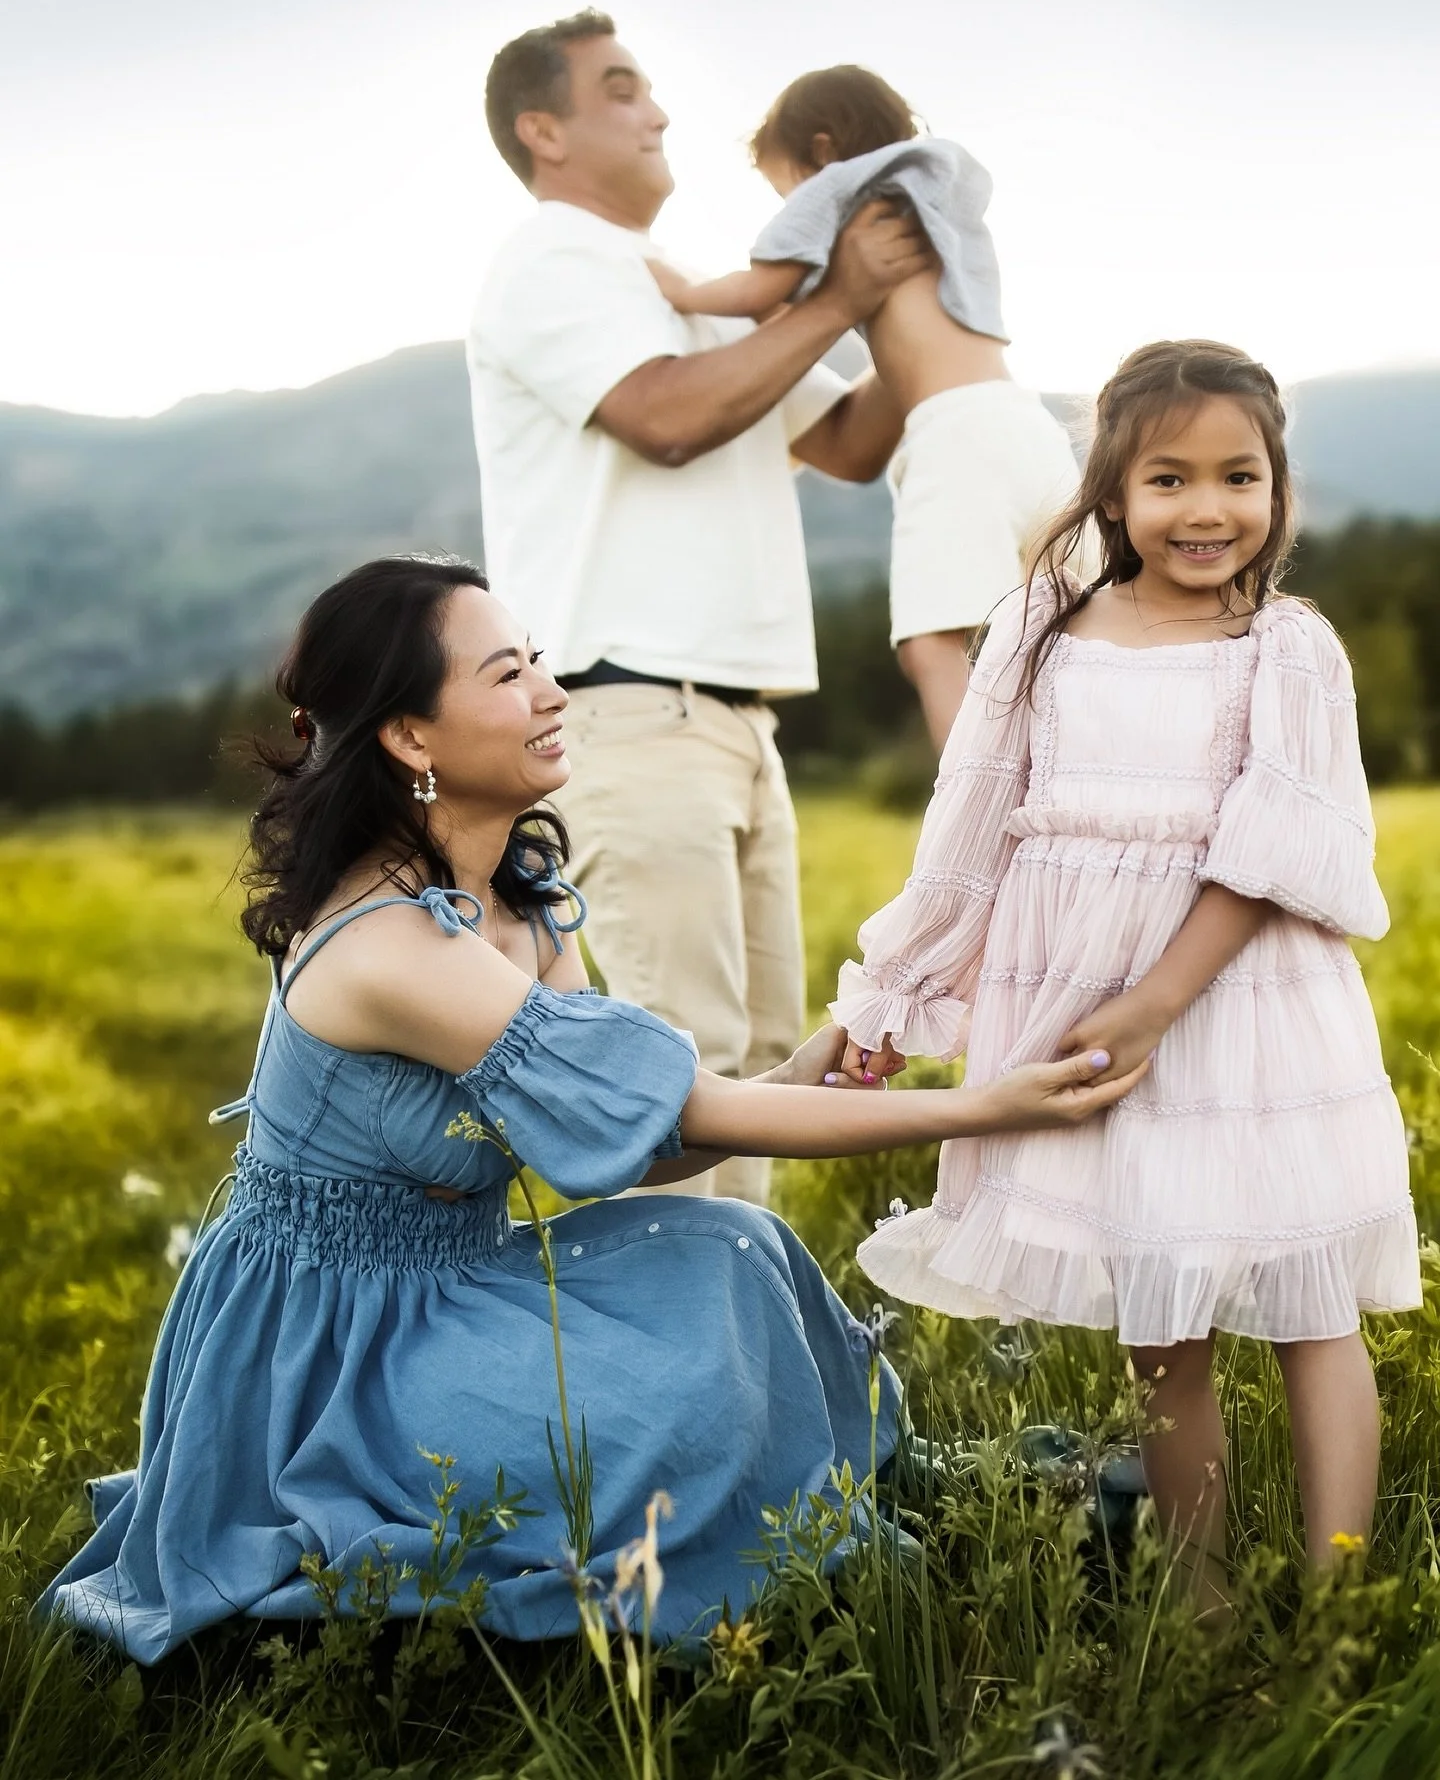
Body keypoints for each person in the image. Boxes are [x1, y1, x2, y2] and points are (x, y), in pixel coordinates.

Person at [38, 556, 1146, 1664]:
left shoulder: (514, 896)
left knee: (737, 1248)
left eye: (541, 665)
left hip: (458, 1280)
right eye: (510, 674)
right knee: (681, 1410)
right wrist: (989, 1108)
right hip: (330, 1350)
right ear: (411, 738)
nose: (553, 694)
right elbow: (694, 1105)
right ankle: (827, 1547)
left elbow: (638, 1140)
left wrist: (809, 1065)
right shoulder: (389, 948)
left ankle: (887, 1488)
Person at [829, 343, 1422, 1614]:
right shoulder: (1041, 633)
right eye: (1170, 478)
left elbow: (1275, 848)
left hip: (1245, 1005)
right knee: (1164, 1318)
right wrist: (893, 992)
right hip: (1084, 1005)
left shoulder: (1286, 646)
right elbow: (972, 829)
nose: (1208, 509)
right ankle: (1201, 1607)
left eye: (1239, 477)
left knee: (1314, 1298)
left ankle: (1337, 1603)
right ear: (1113, 492)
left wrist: (1157, 1000)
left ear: (1277, 489)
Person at [468, 14, 928, 1210]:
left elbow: (852, 439)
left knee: (767, 1059)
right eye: (621, 90)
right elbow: (665, 418)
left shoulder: (703, 297)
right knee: (685, 1068)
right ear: (544, 129)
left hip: (734, 724)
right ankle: (668, 1388)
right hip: (627, 707)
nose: (658, 112)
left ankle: (747, 1368)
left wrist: (910, 282)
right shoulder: (553, 259)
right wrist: (835, 304)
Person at [647, 64, 1085, 752]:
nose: (790, 202)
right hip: (1029, 429)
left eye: (782, 184)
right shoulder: (933, 196)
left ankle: (971, 819)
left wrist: (681, 291)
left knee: (933, 647)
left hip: (955, 435)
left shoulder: (845, 191)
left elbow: (766, 291)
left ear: (820, 150)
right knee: (1077, 630)